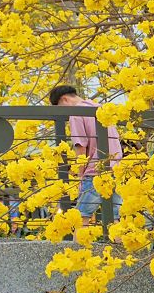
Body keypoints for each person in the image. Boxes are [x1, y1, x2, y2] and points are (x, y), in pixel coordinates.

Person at [49, 86, 123, 225]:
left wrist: (80, 177)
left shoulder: (77, 113)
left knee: (81, 217)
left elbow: (81, 149)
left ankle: (77, 247)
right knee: (115, 217)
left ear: (64, 99)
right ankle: (119, 246)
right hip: (116, 168)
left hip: (95, 171)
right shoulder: (99, 107)